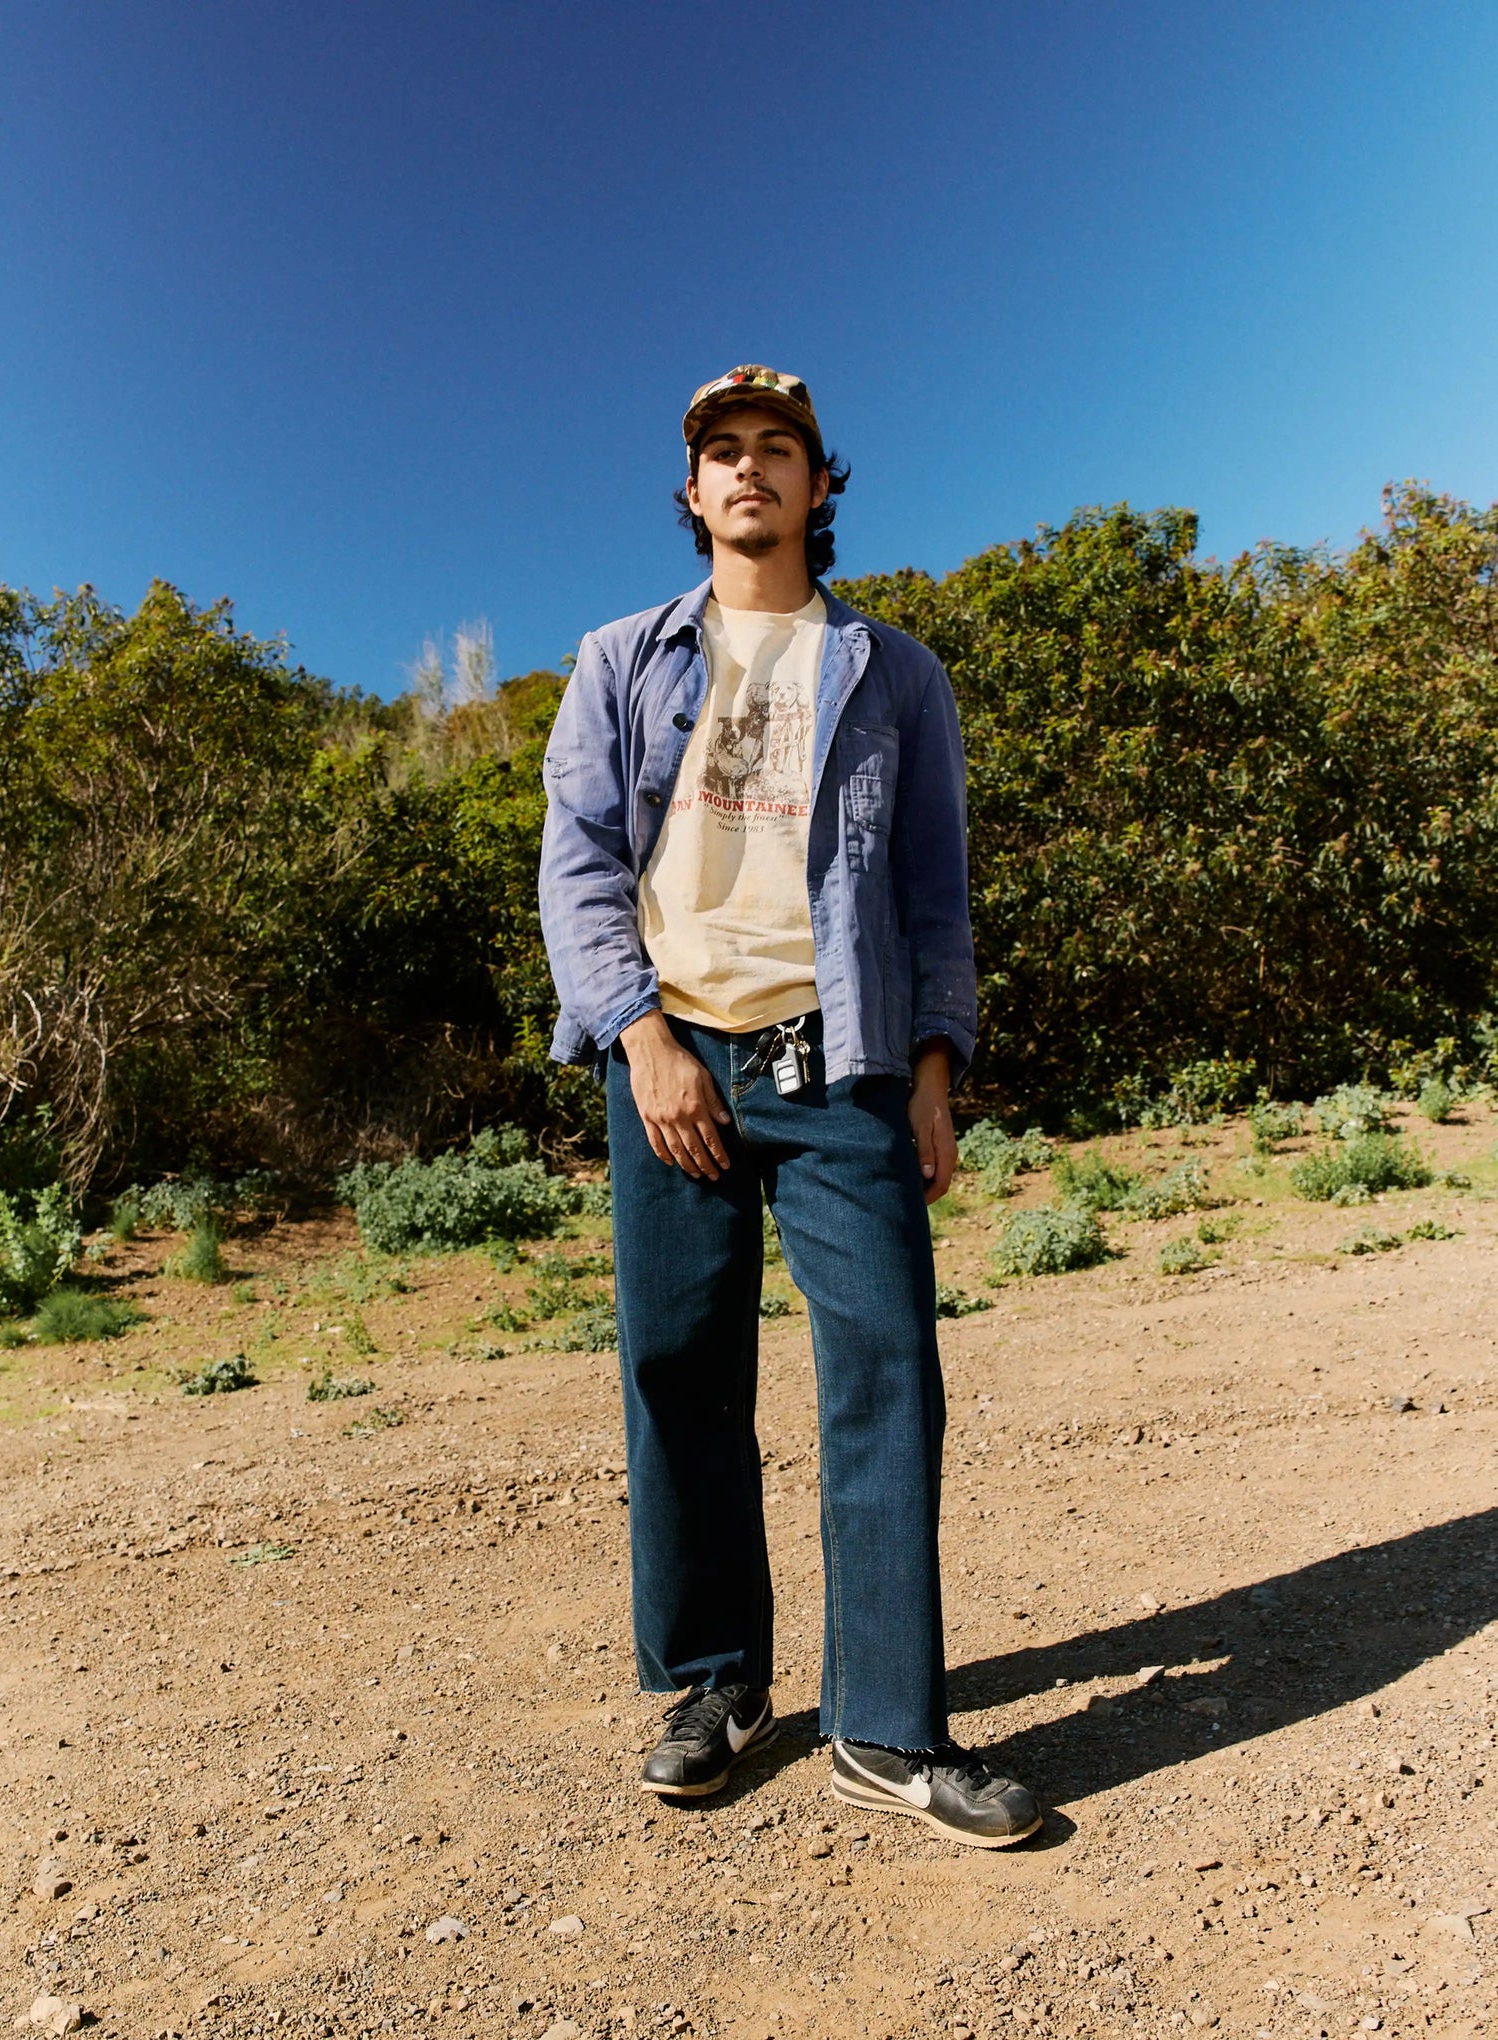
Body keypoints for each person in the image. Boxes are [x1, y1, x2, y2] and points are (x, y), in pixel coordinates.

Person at [538, 365, 1040, 1849]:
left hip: (846, 1059)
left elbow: (933, 895)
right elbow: (576, 869)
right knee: (679, 1372)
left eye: (777, 450)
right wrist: (641, 1041)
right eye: (721, 454)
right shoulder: (620, 659)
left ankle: (887, 1726)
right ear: (691, 496)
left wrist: (936, 1072)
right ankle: (718, 1684)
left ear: (824, 487)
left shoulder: (896, 673)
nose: (748, 469)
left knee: (886, 1370)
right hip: (676, 1056)